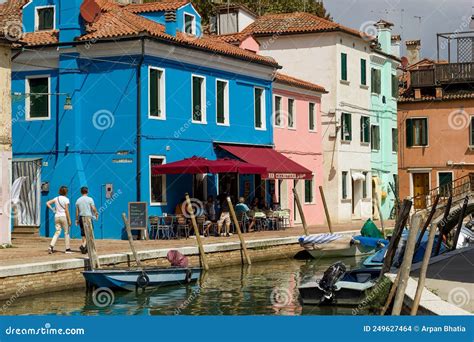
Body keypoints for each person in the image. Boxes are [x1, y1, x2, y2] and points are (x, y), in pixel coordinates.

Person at [46, 186, 72, 254]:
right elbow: (66, 210)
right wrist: (69, 220)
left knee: (57, 232)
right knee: (66, 232)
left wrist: (52, 209)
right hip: (64, 217)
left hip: (56, 216)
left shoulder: (56, 198)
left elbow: (47, 203)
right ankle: (67, 249)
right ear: (66, 192)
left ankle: (51, 246)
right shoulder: (66, 199)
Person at [75, 187, 99, 254]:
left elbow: (77, 211)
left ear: (81, 192)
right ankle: (84, 246)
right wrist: (96, 213)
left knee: (83, 234)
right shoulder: (90, 199)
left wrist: (76, 219)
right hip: (88, 218)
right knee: (90, 232)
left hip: (81, 217)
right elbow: (93, 208)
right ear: (87, 192)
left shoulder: (78, 200)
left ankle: (84, 248)